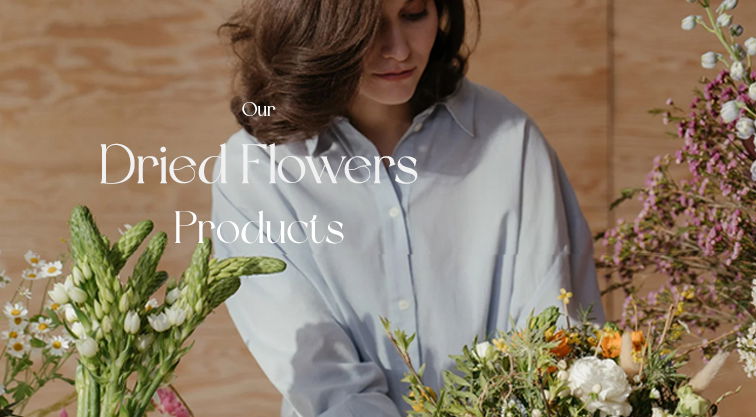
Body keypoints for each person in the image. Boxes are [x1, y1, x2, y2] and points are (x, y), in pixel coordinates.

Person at [211, 0, 603, 415]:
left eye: (414, 14)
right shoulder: (258, 166)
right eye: (368, 25)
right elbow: (321, 376)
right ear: (316, 25)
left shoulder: (509, 139)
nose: (398, 49)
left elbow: (558, 343)